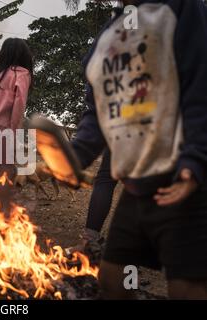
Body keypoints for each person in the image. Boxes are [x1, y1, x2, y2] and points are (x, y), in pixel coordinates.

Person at [69, 0, 207, 299]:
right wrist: (73, 157)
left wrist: (194, 162)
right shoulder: (109, 35)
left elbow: (200, 85)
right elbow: (97, 112)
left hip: (183, 183)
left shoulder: (181, 10)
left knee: (186, 287)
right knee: (112, 278)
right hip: (137, 188)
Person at [0, 38, 33, 209]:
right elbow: (19, 104)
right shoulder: (22, 74)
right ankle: (7, 215)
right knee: (7, 173)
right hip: (3, 129)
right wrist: (14, 131)